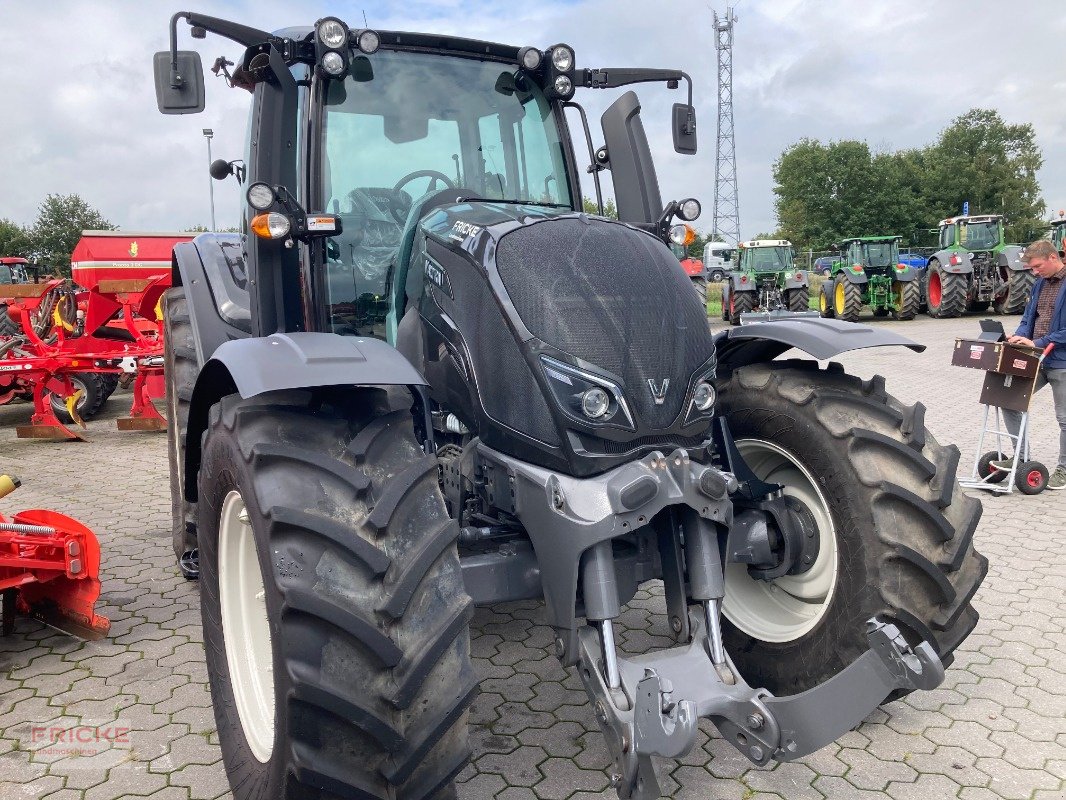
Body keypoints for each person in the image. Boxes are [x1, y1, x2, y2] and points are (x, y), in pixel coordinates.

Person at [991, 239, 1066, 489]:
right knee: (1008, 400)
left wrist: (1040, 341)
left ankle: (1064, 470)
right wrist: (1018, 336)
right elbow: (1028, 318)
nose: (1034, 272)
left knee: (1064, 418)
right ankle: (1021, 458)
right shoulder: (1039, 284)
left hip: (1061, 362)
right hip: (1037, 357)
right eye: (1032, 268)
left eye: (1037, 266)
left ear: (1053, 258)